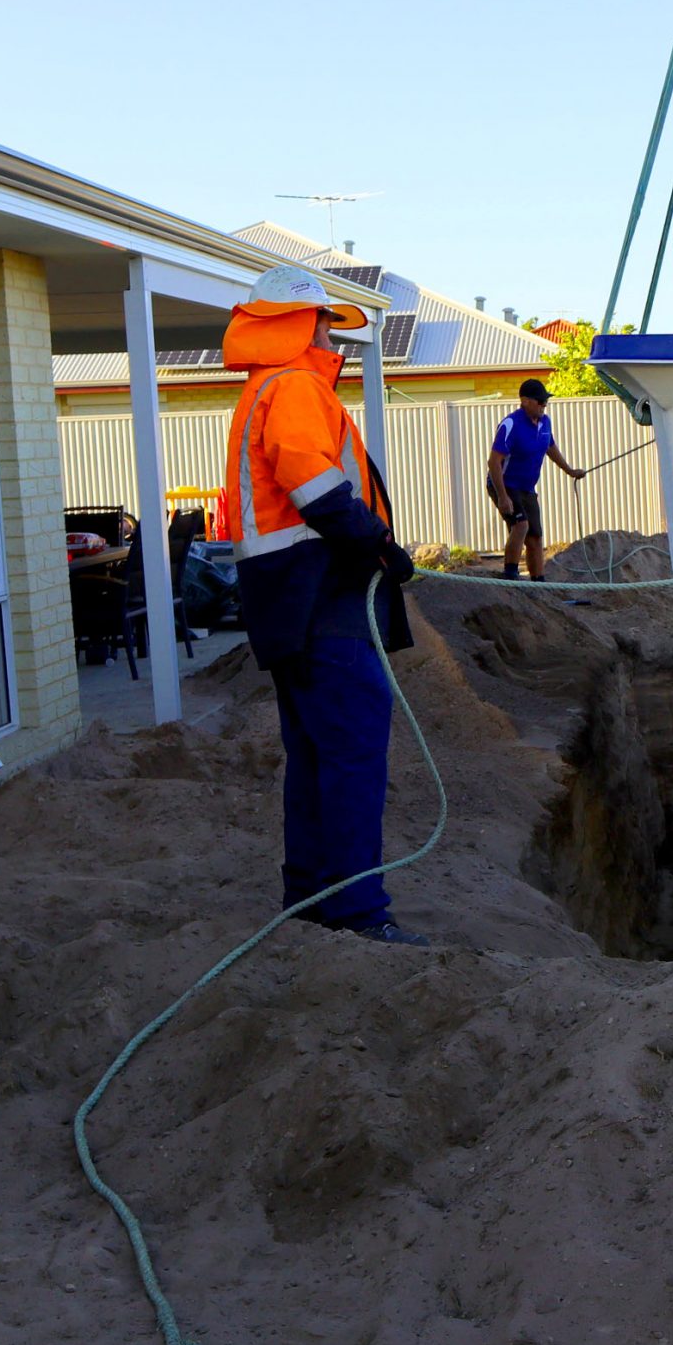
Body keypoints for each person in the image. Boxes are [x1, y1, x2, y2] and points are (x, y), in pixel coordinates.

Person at [220, 264, 429, 946]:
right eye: (321, 319)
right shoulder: (294, 387)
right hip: (322, 594)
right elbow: (316, 488)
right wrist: (380, 545)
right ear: (295, 322)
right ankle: (359, 912)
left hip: (290, 600)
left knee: (315, 754)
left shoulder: (264, 389)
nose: (327, 331)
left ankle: (309, 898)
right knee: (351, 753)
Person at [487, 378, 587, 580]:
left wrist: (570, 470)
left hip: (527, 488)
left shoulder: (545, 423)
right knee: (520, 526)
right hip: (505, 484)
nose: (544, 405)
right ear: (525, 401)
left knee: (535, 536)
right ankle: (510, 574)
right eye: (540, 401)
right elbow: (493, 462)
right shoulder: (511, 424)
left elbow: (550, 448)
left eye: (545, 401)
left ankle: (538, 581)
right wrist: (503, 497)